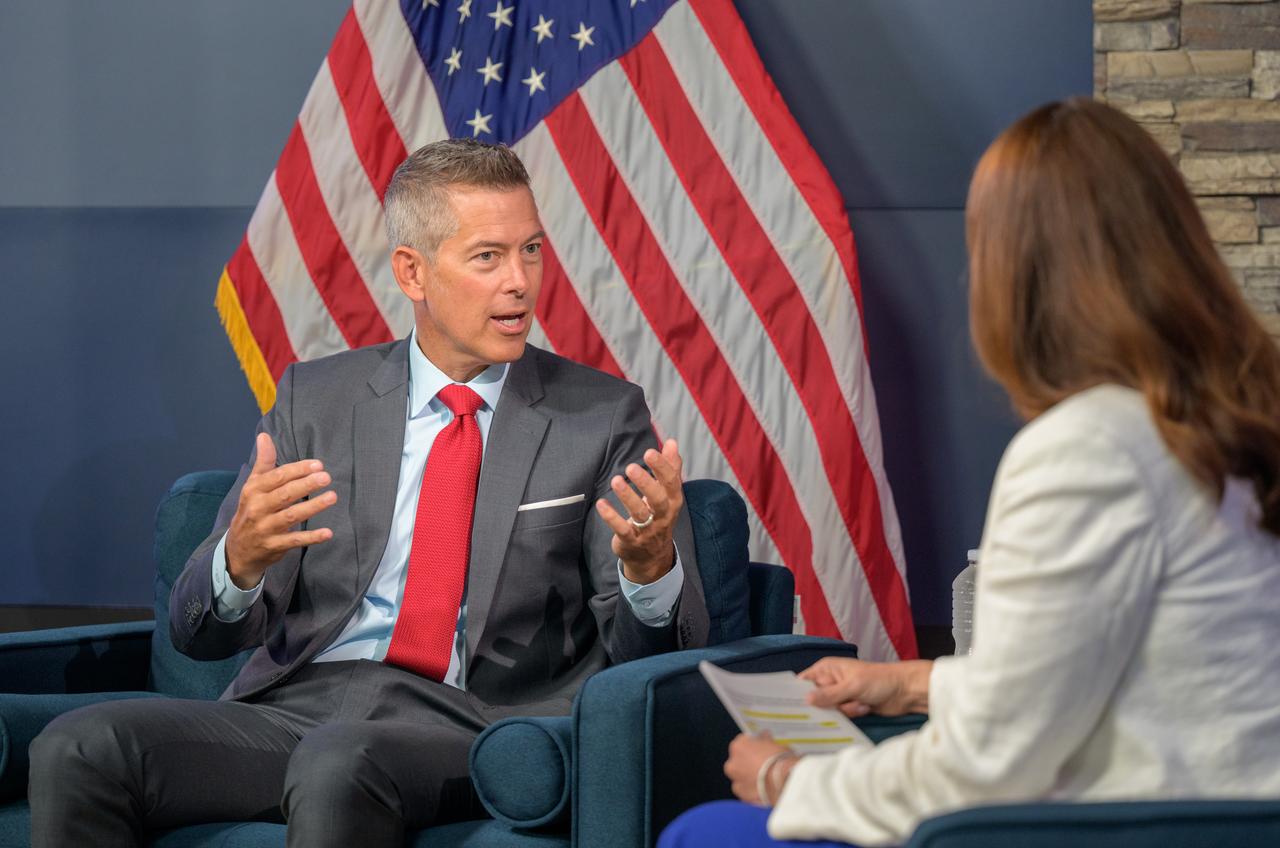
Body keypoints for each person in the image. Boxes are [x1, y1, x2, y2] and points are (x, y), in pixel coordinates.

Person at [29, 138, 709, 847]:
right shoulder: (314, 401)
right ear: (412, 272)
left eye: (530, 250)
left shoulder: (602, 416)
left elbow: (652, 652)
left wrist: (648, 568)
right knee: (81, 745)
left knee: (337, 763)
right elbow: (199, 633)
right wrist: (239, 563)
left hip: (473, 722)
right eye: (488, 256)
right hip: (298, 706)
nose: (521, 282)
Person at [661, 97, 1280, 847]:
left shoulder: (1087, 449)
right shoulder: (1228, 424)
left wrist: (789, 783)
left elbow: (988, 766)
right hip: (1224, 813)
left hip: (1129, 826)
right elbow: (1129, 672)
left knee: (710, 831)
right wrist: (912, 681)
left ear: (1016, 278)